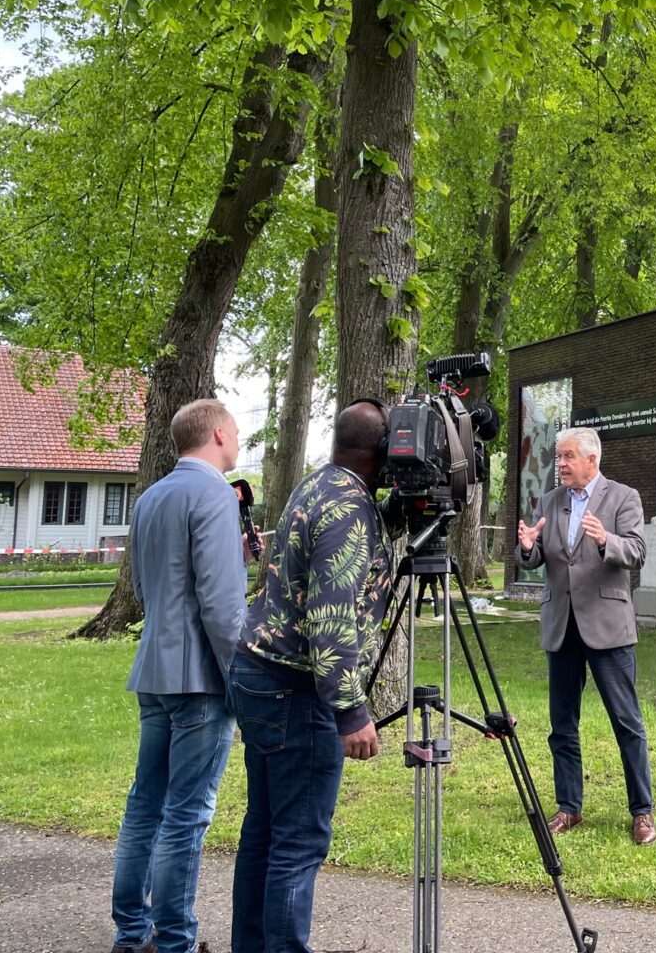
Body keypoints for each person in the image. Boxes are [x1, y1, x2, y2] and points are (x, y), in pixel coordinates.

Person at [228, 400, 397, 953]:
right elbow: (330, 618)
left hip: (258, 670)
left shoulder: (321, 485)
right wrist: (351, 710)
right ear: (381, 452)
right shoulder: (350, 509)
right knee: (297, 843)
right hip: (295, 688)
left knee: (265, 831)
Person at [110, 399, 246, 953]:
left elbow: (143, 590)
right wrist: (240, 674)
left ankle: (130, 931)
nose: (238, 442)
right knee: (187, 813)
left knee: (145, 804)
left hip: (154, 669)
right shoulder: (215, 493)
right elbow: (220, 602)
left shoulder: (149, 498)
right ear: (218, 433)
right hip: (201, 679)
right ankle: (175, 940)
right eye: (236, 433)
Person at [515, 426, 656, 845]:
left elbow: (637, 551)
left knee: (626, 722)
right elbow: (538, 557)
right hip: (562, 627)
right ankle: (568, 807)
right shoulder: (551, 501)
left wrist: (605, 539)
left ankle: (642, 812)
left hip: (608, 628)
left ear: (592, 459)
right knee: (562, 724)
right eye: (559, 457)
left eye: (567, 456)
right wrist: (527, 549)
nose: (560, 464)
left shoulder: (622, 497)